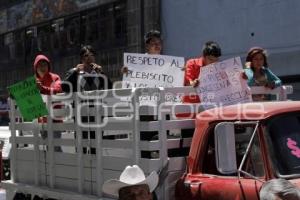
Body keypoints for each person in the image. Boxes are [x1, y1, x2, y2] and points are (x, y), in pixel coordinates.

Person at [34, 54, 63, 152]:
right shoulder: (33, 81)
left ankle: (61, 166)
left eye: (45, 64)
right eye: (40, 65)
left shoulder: (55, 77)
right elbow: (24, 96)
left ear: (48, 66)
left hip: (55, 118)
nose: (42, 67)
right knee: (47, 147)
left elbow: (58, 89)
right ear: (36, 67)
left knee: (55, 147)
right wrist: (14, 96)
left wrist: (42, 88)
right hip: (41, 120)